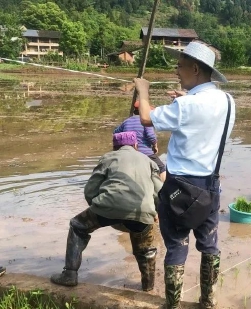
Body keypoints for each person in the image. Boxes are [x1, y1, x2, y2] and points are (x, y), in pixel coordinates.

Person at [133, 41, 236, 309]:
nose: (176, 71)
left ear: (194, 68)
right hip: (211, 186)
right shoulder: (227, 101)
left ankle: (172, 304)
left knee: (177, 246)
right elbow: (203, 120)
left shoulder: (187, 106)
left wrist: (143, 91)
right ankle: (209, 301)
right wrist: (183, 100)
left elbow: (146, 118)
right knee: (209, 245)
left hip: (179, 187)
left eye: (179, 66)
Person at [50, 132, 162, 292]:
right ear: (136, 146)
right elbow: (159, 193)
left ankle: (69, 274)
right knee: (146, 248)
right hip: (141, 213)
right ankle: (148, 287)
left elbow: (90, 190)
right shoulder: (149, 162)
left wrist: (97, 208)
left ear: (114, 147)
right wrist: (154, 212)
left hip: (107, 208)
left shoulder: (108, 158)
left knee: (77, 226)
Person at [114, 101, 166, 182]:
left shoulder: (126, 121)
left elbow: (116, 133)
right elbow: (151, 136)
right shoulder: (146, 121)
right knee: (162, 168)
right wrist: (155, 146)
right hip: (145, 152)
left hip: (128, 152)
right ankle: (163, 190)